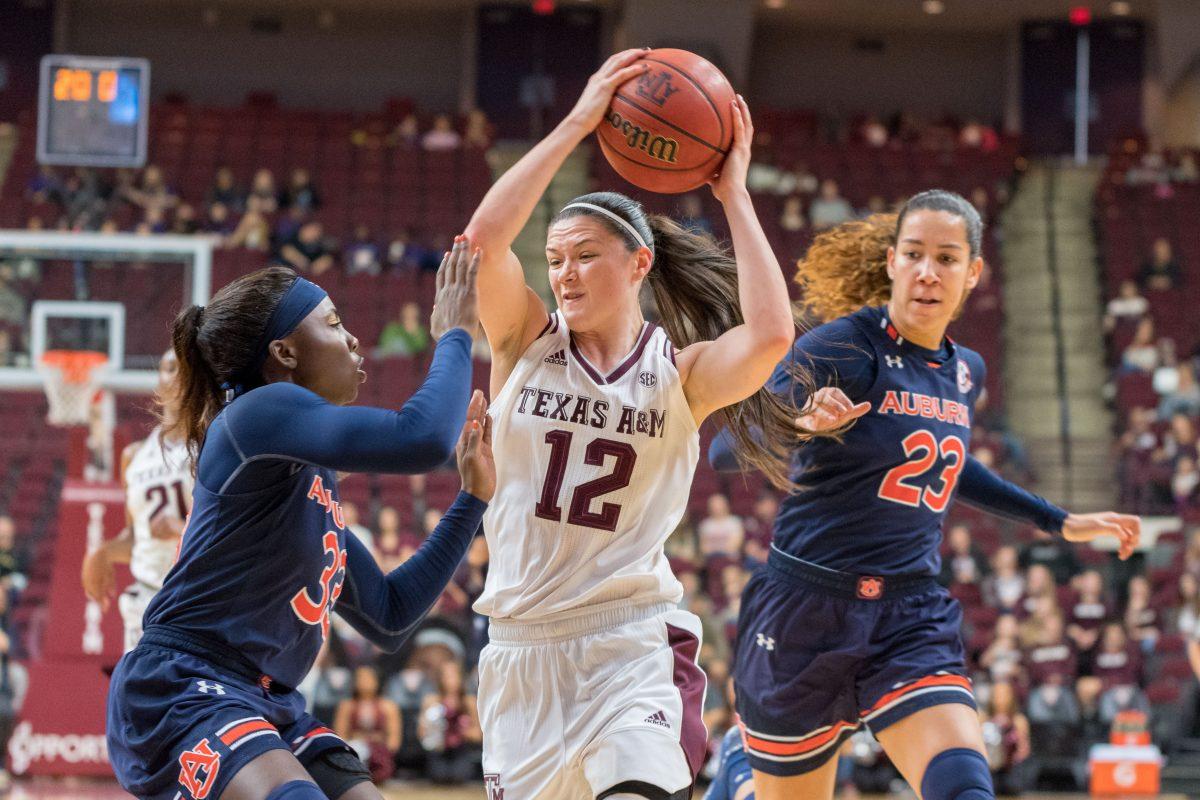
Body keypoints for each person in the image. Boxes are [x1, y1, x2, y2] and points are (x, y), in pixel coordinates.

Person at [709, 191, 1140, 800]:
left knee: (965, 786)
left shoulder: (968, 371)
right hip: (806, 607)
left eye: (946, 257)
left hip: (907, 614)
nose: (927, 272)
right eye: (913, 254)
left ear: (973, 273)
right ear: (891, 262)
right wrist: (802, 422)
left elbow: (951, 464)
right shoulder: (844, 347)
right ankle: (742, 774)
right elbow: (726, 450)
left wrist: (1058, 521)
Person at [462, 49, 800, 800]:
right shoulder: (522, 342)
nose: (565, 273)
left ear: (640, 263)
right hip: (520, 652)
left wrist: (733, 192)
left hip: (630, 643)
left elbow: (773, 337)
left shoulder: (679, 375)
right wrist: (578, 123)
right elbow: (480, 247)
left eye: (586, 256)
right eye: (554, 259)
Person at [106, 245, 495, 800]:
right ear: (284, 353)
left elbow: (390, 617)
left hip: (268, 700)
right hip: (186, 683)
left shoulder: (309, 479)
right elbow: (423, 436)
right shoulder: (255, 414)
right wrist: (455, 333)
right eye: (334, 323)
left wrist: (472, 498)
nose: (353, 339)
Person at [81, 349, 192, 652]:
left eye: (188, 367)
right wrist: (102, 554)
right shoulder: (134, 456)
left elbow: (234, 534)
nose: (180, 373)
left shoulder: (211, 446)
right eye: (171, 367)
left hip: (196, 602)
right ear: (158, 383)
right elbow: (137, 537)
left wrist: (182, 529)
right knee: (137, 697)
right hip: (145, 601)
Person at [333, 666, 401, 784]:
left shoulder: (388, 706)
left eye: (368, 678)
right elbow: (340, 736)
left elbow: (394, 739)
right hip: (354, 752)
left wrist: (384, 754)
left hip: (379, 755)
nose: (364, 682)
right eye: (360, 678)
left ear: (377, 680)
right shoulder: (347, 706)